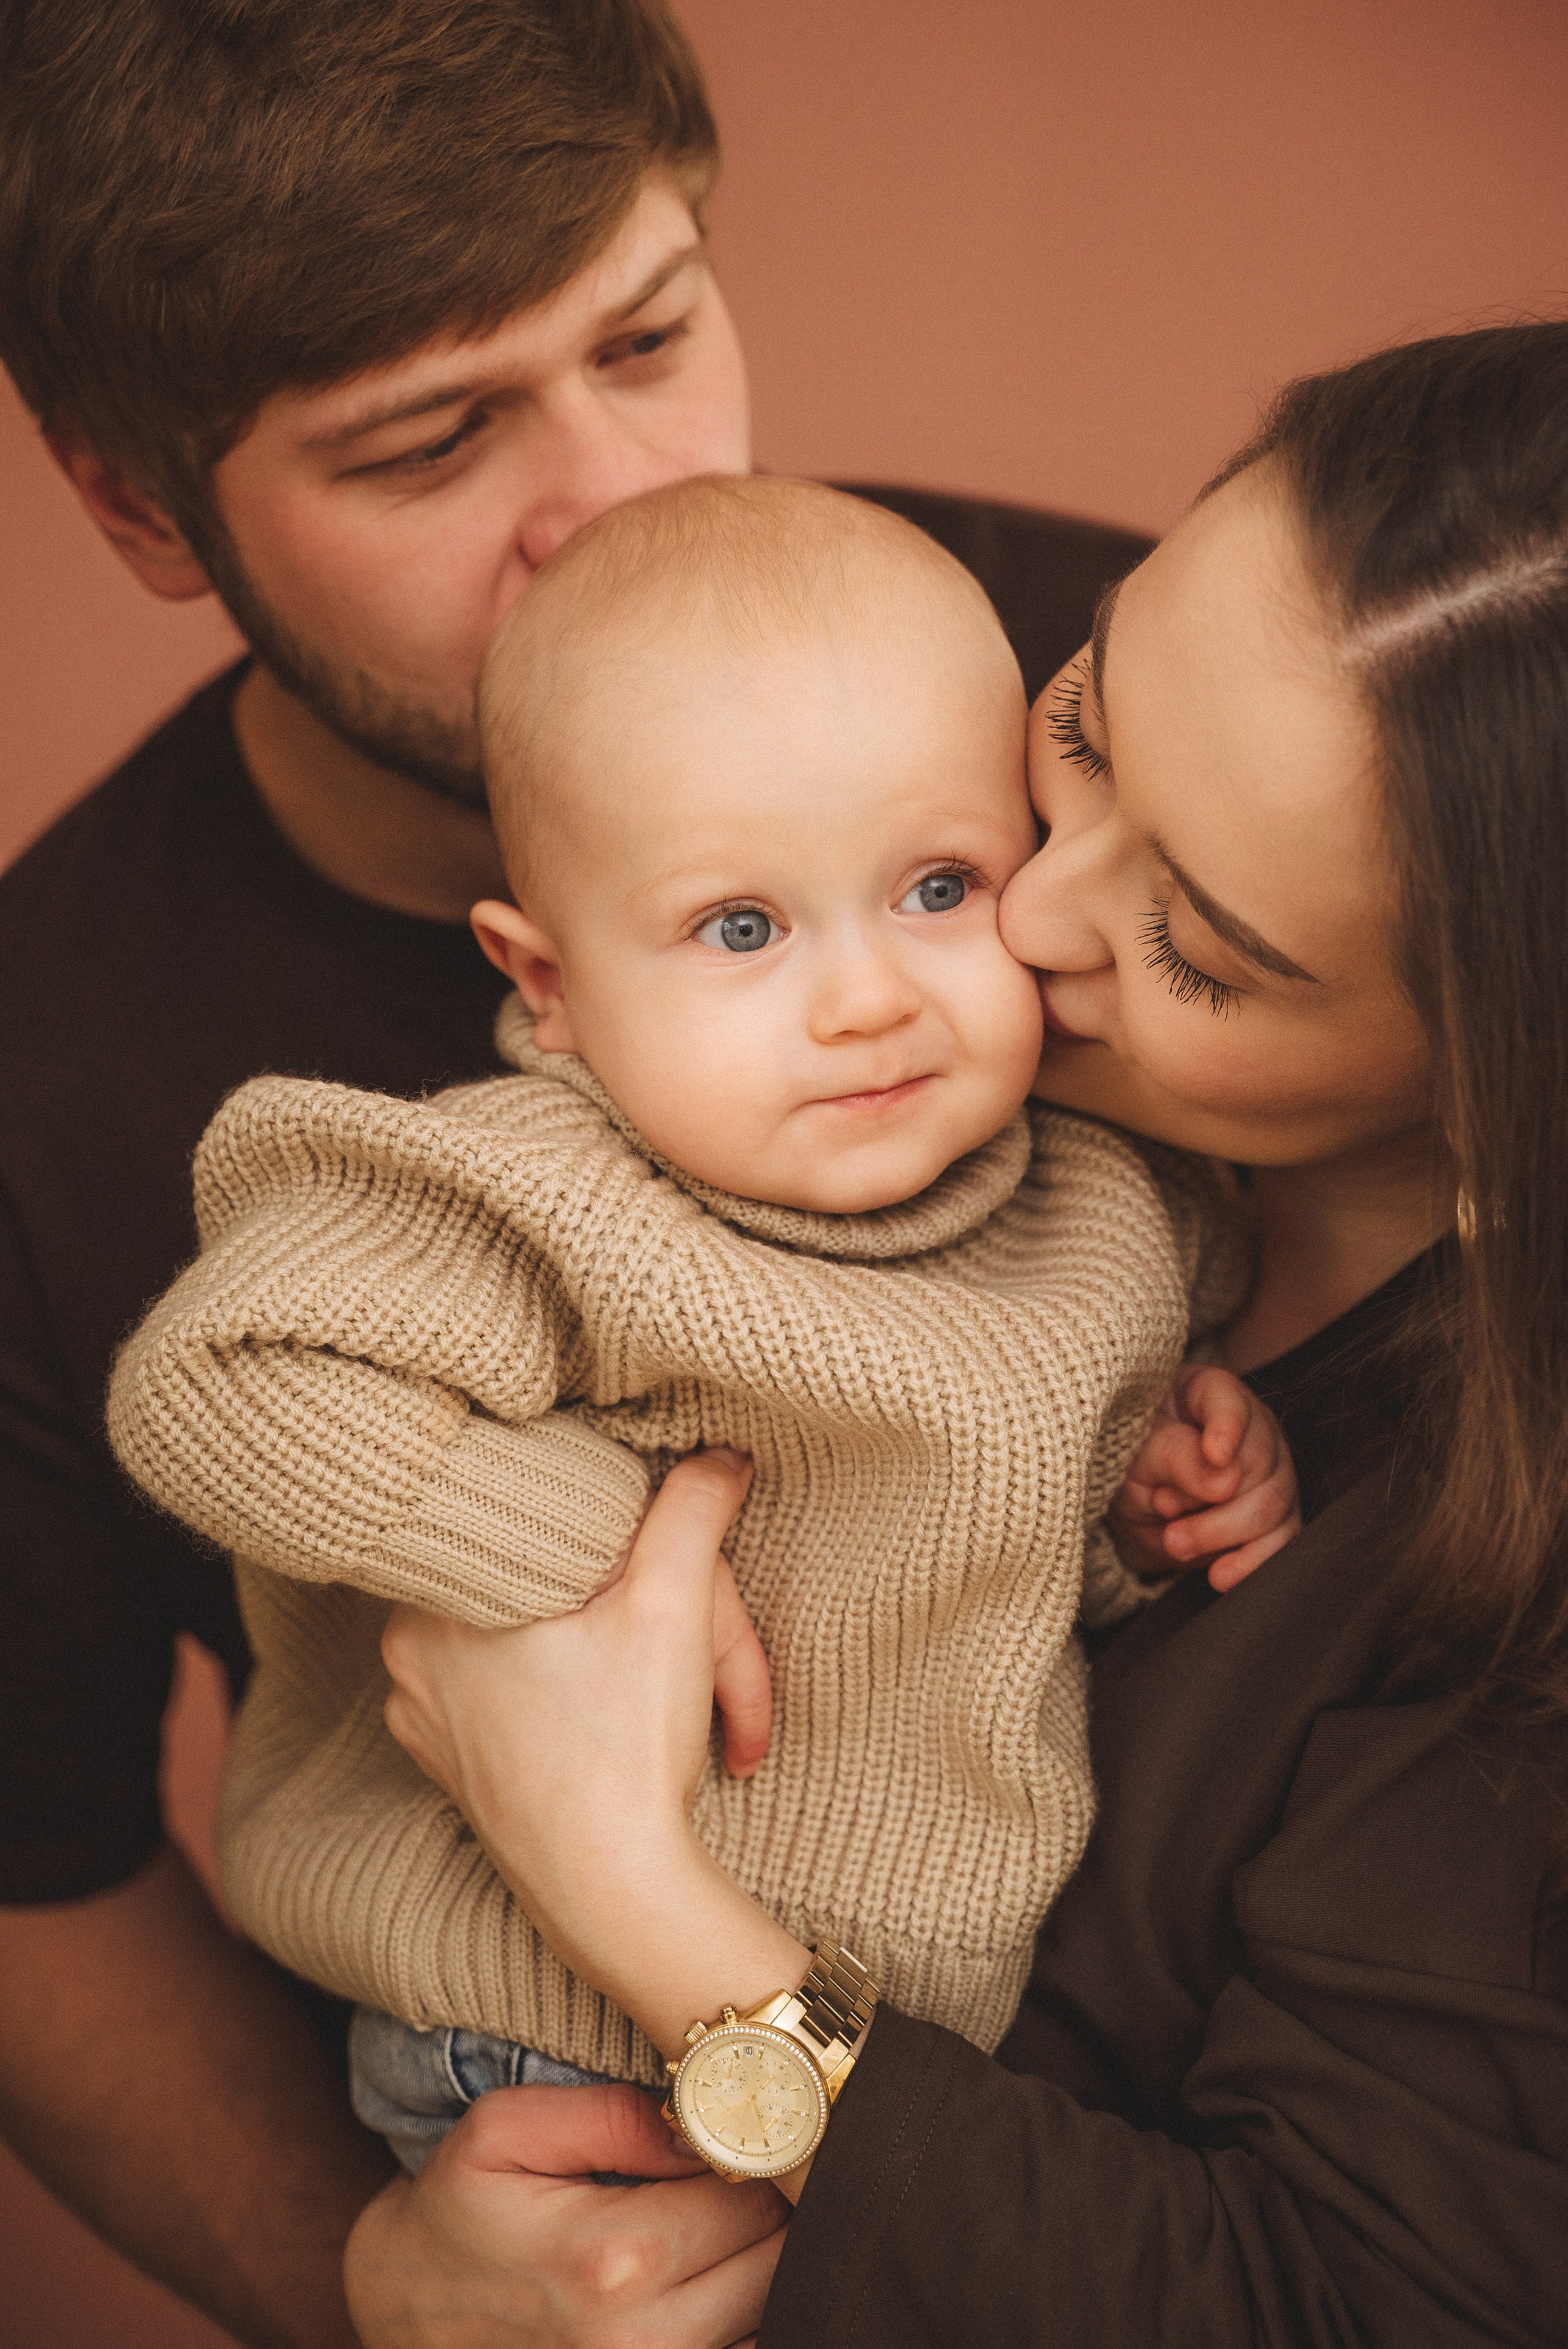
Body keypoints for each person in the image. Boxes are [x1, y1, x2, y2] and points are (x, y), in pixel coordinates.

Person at [0, 3, 1150, 2338]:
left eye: (651, 332)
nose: (619, 497)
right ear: (139, 504)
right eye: (431, 443)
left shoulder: (1127, 703)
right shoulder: (52, 1055)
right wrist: (369, 2288)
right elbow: (30, 1865)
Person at [347, 323, 1568, 2346]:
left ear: (1500, 1088)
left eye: (1195, 941)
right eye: (1084, 721)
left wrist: (631, 1891)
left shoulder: (1500, 1604)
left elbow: (1318, 2305)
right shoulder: (875, 1059)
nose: (1016, 914)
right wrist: (390, 2270)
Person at [105, 473, 1298, 2178]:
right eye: (742, 927)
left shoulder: (1102, 1218)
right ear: (552, 988)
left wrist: (1150, 1508)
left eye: (940, 885)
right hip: (536, 2027)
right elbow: (217, 1381)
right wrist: (597, 1548)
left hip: (906, 2059)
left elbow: (1008, 1575)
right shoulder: (555, 1194)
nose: (868, 992)